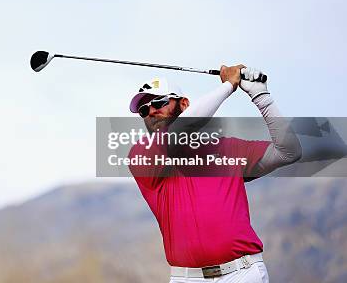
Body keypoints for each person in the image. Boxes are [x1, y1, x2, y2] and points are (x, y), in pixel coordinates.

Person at [128, 65, 302, 283]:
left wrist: (261, 96)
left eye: (160, 103)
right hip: (186, 278)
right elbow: (183, 128)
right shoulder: (141, 154)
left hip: (243, 273)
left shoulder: (227, 149)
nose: (151, 111)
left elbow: (288, 152)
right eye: (144, 110)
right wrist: (229, 85)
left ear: (184, 104)